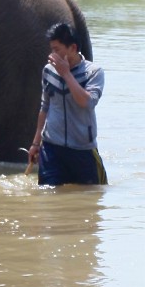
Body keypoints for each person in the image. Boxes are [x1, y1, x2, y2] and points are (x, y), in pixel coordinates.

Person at [28, 21, 105, 186]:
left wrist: (66, 74)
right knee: (49, 197)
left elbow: (87, 102)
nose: (52, 55)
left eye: (57, 50)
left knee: (88, 201)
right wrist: (35, 143)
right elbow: (45, 107)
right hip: (51, 148)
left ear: (73, 48)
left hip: (82, 150)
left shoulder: (93, 73)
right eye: (52, 50)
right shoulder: (49, 71)